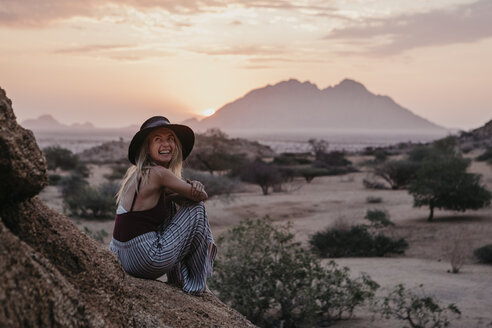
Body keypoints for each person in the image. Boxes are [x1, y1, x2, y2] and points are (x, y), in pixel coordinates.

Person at [109, 116, 216, 295]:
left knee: (172, 206)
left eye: (170, 139)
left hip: (120, 256)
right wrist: (196, 187)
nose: (166, 144)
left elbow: (184, 199)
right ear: (147, 148)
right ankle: (197, 284)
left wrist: (183, 193)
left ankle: (181, 278)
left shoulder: (138, 174)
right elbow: (201, 198)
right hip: (144, 258)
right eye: (158, 139)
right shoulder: (159, 174)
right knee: (197, 210)